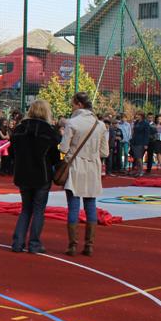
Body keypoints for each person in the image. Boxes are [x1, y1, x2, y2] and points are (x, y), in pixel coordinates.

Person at [60, 92, 108, 256]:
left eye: (73, 104)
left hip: (75, 166)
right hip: (93, 167)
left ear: (79, 104)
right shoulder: (100, 125)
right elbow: (105, 152)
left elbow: (63, 148)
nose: (72, 107)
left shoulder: (72, 123)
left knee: (73, 207)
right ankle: (89, 245)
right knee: (90, 206)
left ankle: (72, 245)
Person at [9, 100, 61, 254]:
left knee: (26, 209)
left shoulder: (19, 129)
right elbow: (55, 158)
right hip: (42, 175)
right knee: (38, 209)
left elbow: (12, 153)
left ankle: (17, 243)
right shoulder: (49, 131)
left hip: (22, 174)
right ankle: (34, 244)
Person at [129, 111, 150, 178]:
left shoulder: (145, 124)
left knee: (139, 157)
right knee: (136, 157)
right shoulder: (136, 122)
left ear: (141, 116)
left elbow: (147, 134)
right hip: (134, 142)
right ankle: (138, 171)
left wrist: (146, 144)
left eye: (137, 115)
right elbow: (134, 132)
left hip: (141, 142)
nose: (136, 116)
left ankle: (141, 171)